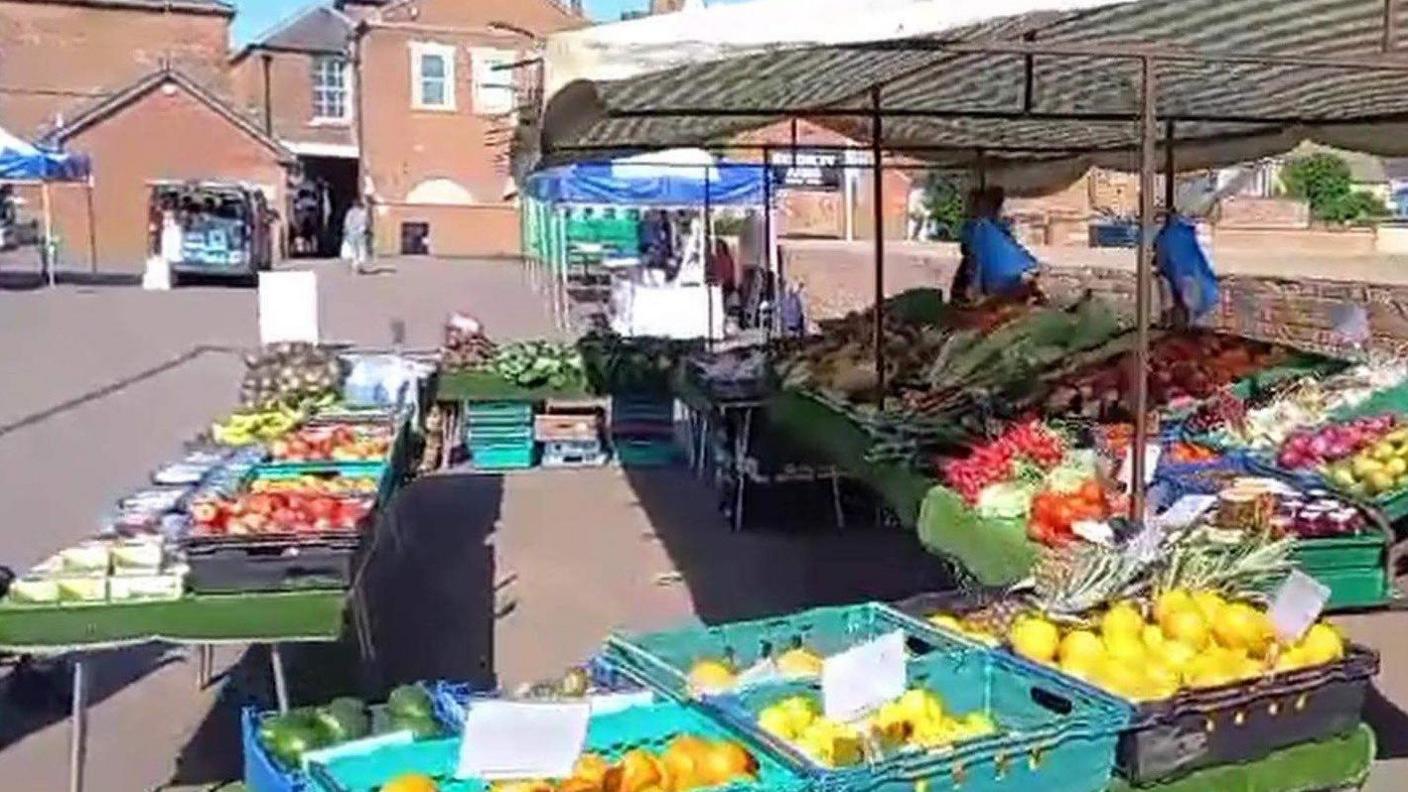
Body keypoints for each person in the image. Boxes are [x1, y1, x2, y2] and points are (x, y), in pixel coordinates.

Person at [342, 196, 370, 274]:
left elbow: (347, 223)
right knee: (361, 249)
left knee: (354, 250)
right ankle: (359, 266)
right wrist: (365, 230)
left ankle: (355, 265)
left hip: (351, 233)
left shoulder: (350, 212)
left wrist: (346, 231)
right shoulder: (363, 212)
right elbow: (366, 223)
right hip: (360, 233)